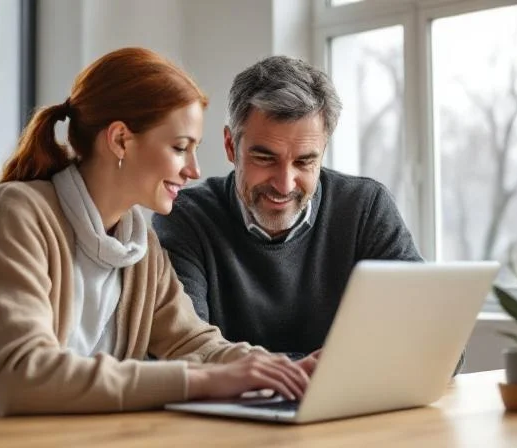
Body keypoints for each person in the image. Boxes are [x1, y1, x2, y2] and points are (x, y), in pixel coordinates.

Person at [0, 48, 318, 428]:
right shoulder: (14, 213)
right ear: (120, 140)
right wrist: (201, 381)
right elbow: (22, 376)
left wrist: (281, 371)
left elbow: (194, 342)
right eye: (180, 147)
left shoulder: (138, 245)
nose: (194, 170)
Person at [152, 55, 454, 367]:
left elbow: (439, 349)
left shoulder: (365, 208)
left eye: (304, 161)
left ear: (323, 152)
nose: (284, 184)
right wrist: (323, 367)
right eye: (265, 158)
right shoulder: (185, 217)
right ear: (231, 146)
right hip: (246, 403)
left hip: (347, 398)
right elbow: (184, 357)